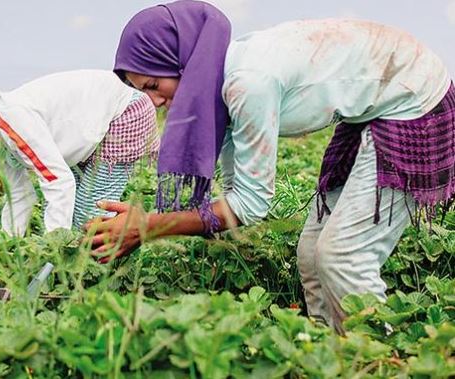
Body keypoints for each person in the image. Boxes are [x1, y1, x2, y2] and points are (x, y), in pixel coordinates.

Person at [88, 0, 454, 332]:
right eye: (143, 91)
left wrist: (149, 227)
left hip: (414, 101)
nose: (153, 102)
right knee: (312, 255)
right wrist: (150, 224)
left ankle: (378, 357)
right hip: (374, 109)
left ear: (182, 59)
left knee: (343, 257)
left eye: (154, 83)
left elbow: (250, 205)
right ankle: (328, 352)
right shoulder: (217, 86)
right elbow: (235, 196)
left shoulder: (247, 84)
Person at [0, 70, 159, 235]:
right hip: (89, 129)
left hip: (123, 112)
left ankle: (92, 283)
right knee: (72, 220)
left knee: (87, 219)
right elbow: (19, 196)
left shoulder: (10, 118)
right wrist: (11, 247)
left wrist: (53, 252)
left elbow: (59, 182)